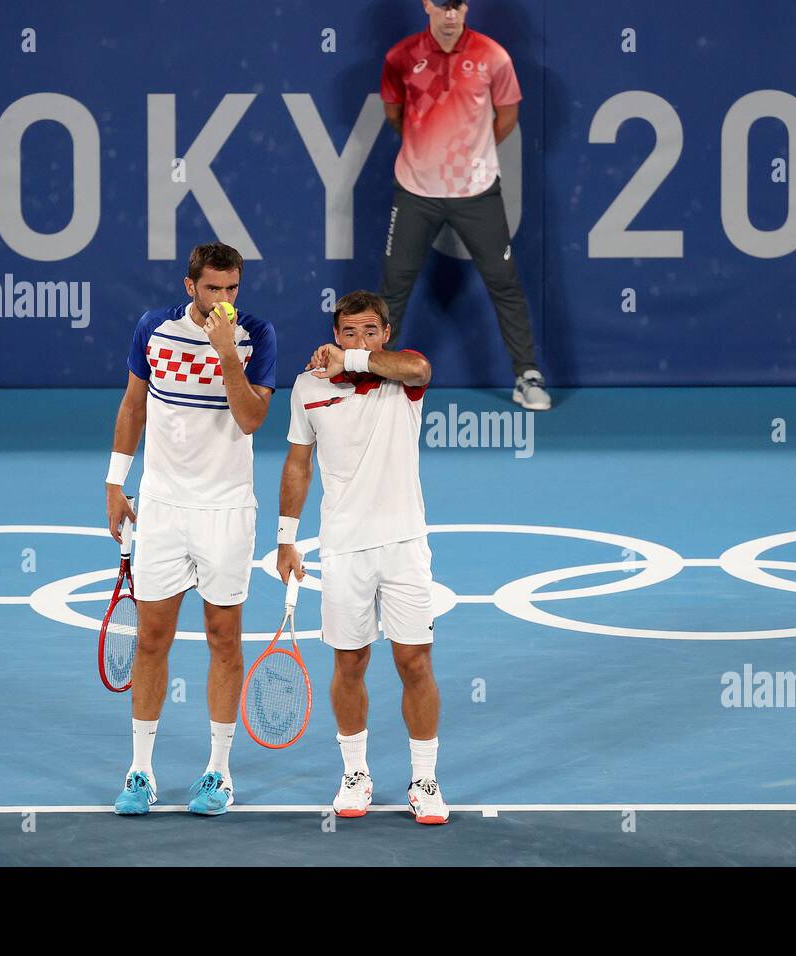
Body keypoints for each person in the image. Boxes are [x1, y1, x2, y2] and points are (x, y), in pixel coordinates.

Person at [105, 242, 277, 816]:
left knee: (224, 639)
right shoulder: (152, 329)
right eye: (213, 290)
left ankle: (218, 773)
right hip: (162, 507)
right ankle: (139, 772)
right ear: (190, 287)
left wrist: (226, 352)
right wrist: (115, 483)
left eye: (232, 289)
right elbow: (133, 407)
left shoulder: (258, 335)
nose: (225, 300)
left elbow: (251, 419)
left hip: (227, 511)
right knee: (152, 639)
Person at [276, 290, 449, 824]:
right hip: (343, 547)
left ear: (385, 334)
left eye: (370, 330)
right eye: (348, 332)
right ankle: (355, 774)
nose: (360, 339)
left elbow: (419, 367)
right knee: (349, 663)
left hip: (403, 545)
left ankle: (424, 780)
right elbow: (299, 464)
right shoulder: (307, 387)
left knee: (413, 661)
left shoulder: (402, 379)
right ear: (334, 334)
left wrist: (350, 361)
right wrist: (287, 537)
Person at [379, 0, 552, 412]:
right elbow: (394, 114)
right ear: (427, 5)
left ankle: (526, 375)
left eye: (457, 4)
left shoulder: (494, 56)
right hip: (415, 191)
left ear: (466, 6)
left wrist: (469, 157)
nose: (451, 14)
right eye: (442, 5)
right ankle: (378, 378)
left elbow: (506, 116)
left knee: (505, 284)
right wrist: (427, 152)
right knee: (393, 290)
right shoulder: (399, 57)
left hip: (477, 193)